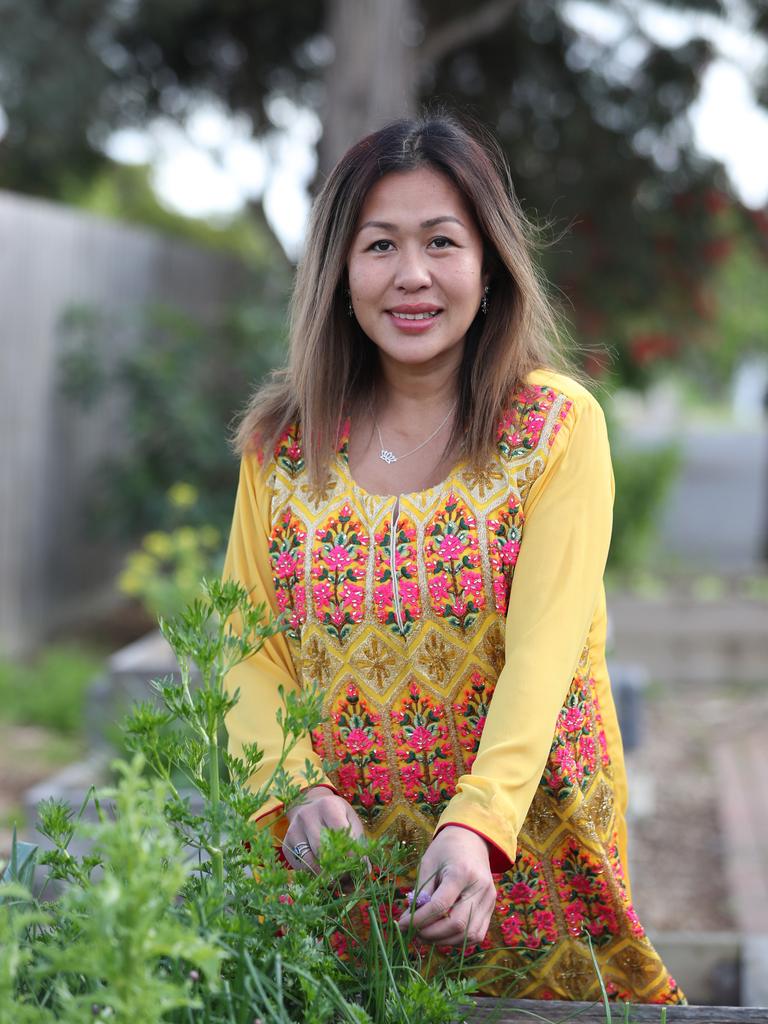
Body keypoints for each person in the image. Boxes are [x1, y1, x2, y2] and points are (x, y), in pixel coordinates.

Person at [222, 112, 684, 1003]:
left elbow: (544, 655)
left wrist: (478, 827)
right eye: (380, 245)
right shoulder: (283, 446)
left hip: (525, 862)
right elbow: (248, 647)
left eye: (442, 241)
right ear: (339, 273)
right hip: (339, 880)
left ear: (489, 264)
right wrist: (295, 794)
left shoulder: (554, 429)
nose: (413, 275)